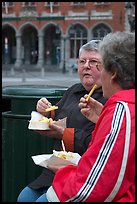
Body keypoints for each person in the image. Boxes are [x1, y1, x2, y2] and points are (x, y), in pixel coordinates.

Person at [42, 31, 135, 202]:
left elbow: (90, 189)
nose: (88, 66)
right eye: (82, 61)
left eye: (99, 65)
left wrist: (63, 173)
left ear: (112, 72)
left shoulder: (121, 111)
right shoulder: (121, 108)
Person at [17, 40, 107, 202]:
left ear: (105, 67)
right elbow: (57, 118)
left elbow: (101, 141)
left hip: (83, 173)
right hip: (55, 170)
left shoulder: (108, 97)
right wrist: (44, 111)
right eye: (82, 61)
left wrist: (64, 134)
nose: (86, 66)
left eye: (93, 61)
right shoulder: (73, 91)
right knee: (24, 197)